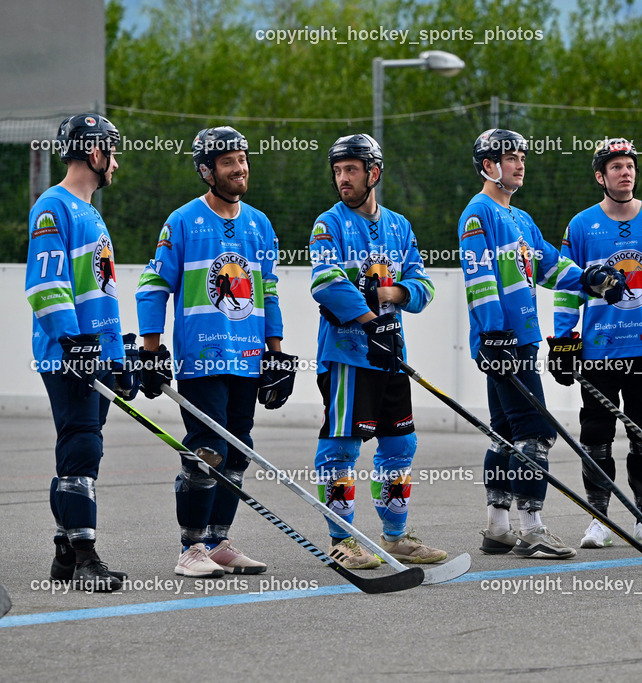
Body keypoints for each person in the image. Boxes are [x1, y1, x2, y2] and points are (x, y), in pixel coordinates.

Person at [136, 126, 295, 577]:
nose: (239, 168)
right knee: (207, 451)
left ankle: (219, 540)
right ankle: (190, 548)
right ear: (207, 171)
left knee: (239, 449)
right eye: (228, 162)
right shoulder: (183, 220)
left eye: (243, 159)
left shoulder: (260, 224)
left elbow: (267, 290)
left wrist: (277, 353)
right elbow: (153, 285)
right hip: (202, 357)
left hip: (248, 357)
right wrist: (151, 351)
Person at [459, 128, 626, 560]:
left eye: (522, 157)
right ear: (488, 165)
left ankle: (497, 527)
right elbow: (479, 279)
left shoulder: (521, 219)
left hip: (522, 339)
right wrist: (494, 335)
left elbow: (552, 267)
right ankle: (532, 528)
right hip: (503, 342)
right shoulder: (479, 214)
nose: (520, 164)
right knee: (535, 433)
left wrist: (593, 278)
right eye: (511, 157)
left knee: (505, 433)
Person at [549, 138, 642, 549]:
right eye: (615, 167)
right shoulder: (580, 226)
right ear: (601, 176)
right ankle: (599, 520)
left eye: (629, 165)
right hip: (599, 351)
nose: (625, 172)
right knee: (595, 435)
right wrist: (563, 343)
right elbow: (567, 290)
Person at [311, 133, 447, 570]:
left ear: (374, 172)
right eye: (337, 170)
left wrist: (393, 291)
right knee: (341, 449)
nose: (342, 178)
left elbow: (423, 287)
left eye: (351, 169)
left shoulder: (399, 225)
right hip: (350, 355)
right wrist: (372, 323)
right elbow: (325, 283)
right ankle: (342, 540)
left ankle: (396, 536)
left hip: (390, 354)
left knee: (399, 444)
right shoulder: (327, 224)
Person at [26, 113, 136, 592]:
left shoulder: (91, 211)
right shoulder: (54, 206)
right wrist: (73, 343)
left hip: (96, 354)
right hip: (69, 354)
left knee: (80, 448)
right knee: (82, 446)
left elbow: (101, 290)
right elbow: (45, 284)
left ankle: (65, 553)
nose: (117, 163)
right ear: (95, 154)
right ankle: (87, 557)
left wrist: (118, 354)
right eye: (112, 151)